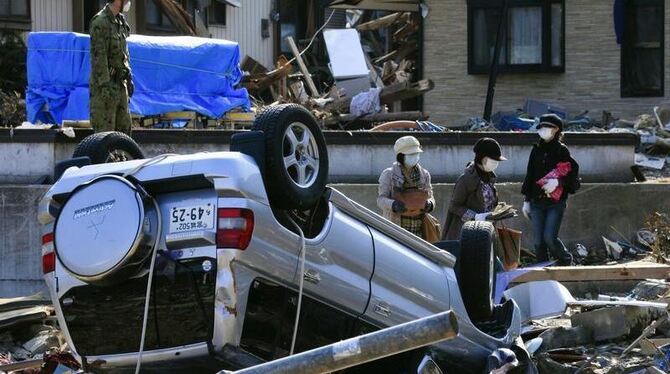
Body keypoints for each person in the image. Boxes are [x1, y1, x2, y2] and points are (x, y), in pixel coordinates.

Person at [521, 114, 575, 266]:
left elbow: (572, 174)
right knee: (538, 242)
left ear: (557, 130)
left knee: (549, 238)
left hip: (555, 202)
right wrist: (526, 200)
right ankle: (543, 268)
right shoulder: (536, 149)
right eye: (542, 127)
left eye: (548, 127)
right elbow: (530, 175)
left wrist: (559, 181)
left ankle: (565, 261)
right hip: (536, 201)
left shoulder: (561, 150)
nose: (543, 130)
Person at [443, 138, 507, 240]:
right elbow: (454, 206)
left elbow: (486, 204)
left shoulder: (490, 178)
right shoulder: (465, 179)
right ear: (481, 158)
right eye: (492, 160)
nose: (495, 163)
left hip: (486, 232)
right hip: (468, 234)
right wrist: (475, 216)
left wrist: (499, 210)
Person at [377, 136, 435, 239]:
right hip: (397, 227)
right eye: (411, 154)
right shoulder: (389, 174)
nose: (415, 156)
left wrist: (430, 204)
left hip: (420, 228)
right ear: (401, 156)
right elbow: (380, 199)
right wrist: (393, 204)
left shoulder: (424, 174)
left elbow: (430, 196)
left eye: (416, 154)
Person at [89, 0, 133, 134]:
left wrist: (129, 78)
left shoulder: (120, 22)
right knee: (105, 134)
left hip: (121, 85)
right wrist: (105, 86)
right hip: (105, 89)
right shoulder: (100, 22)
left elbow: (124, 54)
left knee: (124, 133)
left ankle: (122, 156)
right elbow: (98, 58)